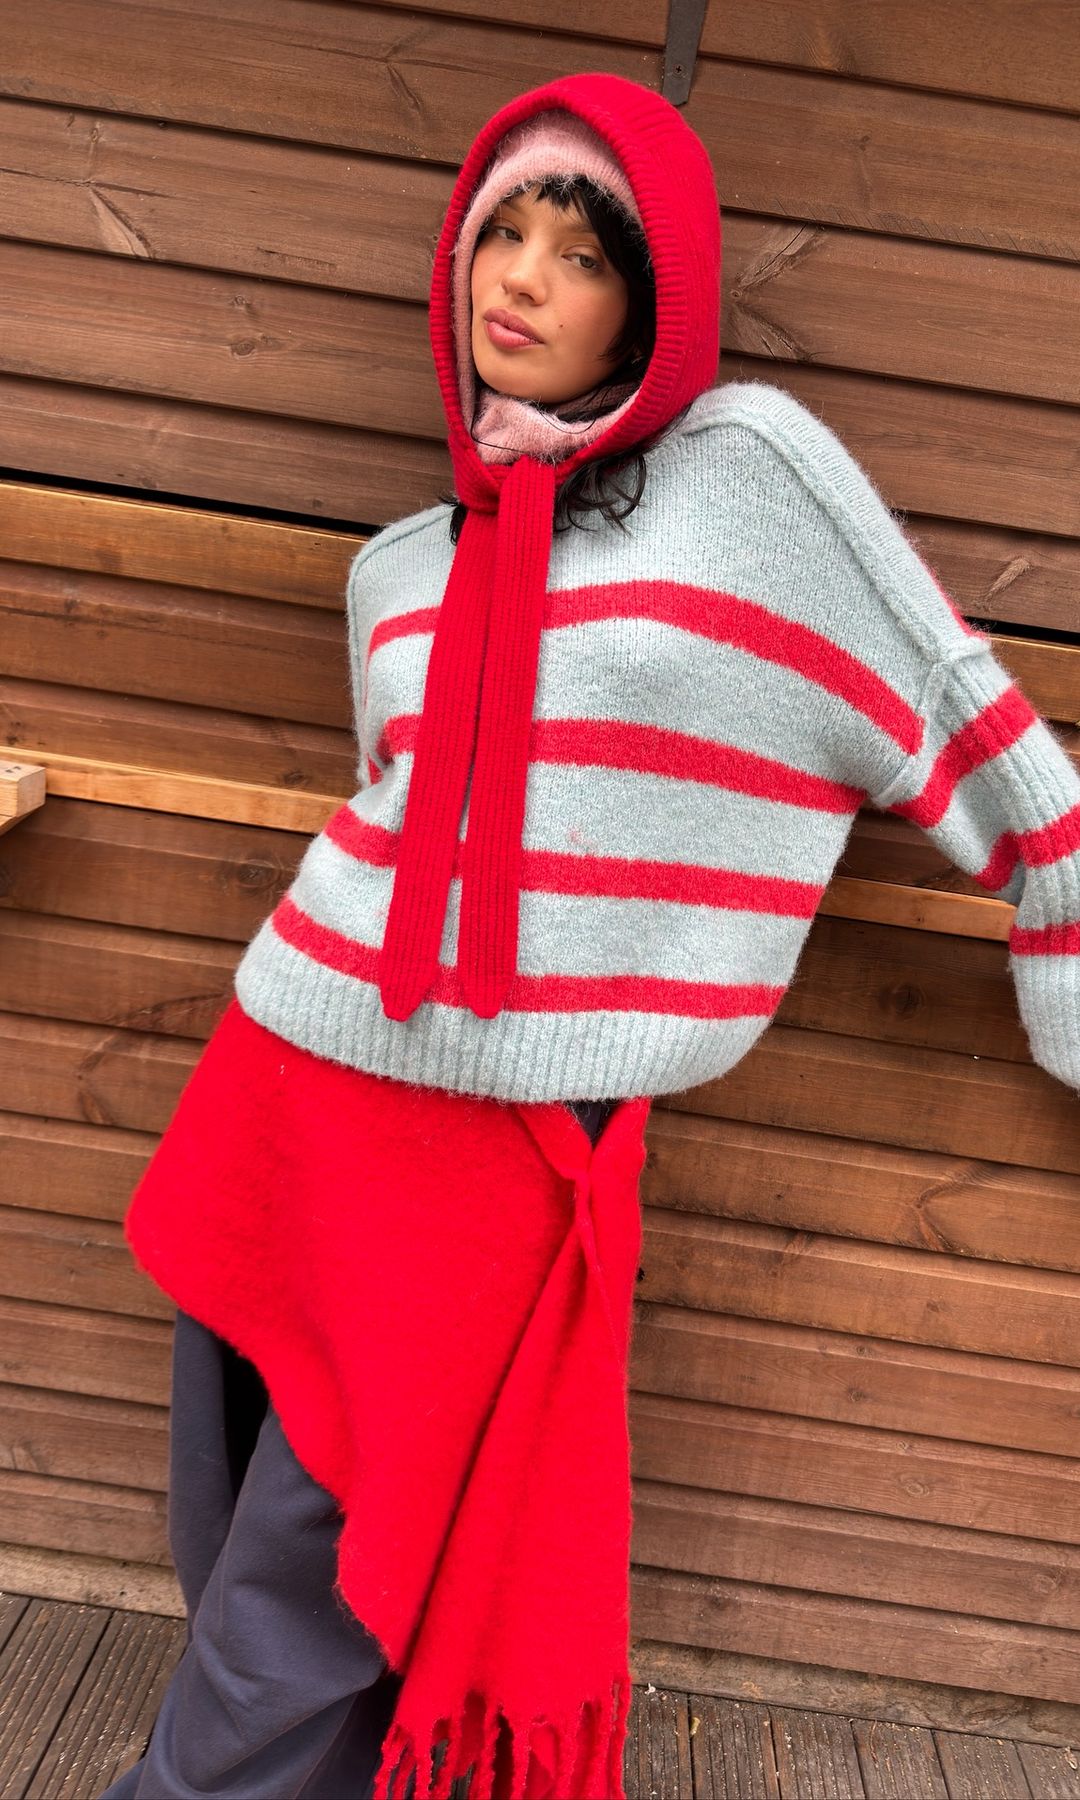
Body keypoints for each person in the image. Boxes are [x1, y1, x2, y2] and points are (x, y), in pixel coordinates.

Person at [99, 68, 1080, 1800]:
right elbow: (407, 833)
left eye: (581, 248)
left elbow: (978, 734)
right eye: (501, 230)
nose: (522, 276)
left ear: (658, 301)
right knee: (228, 1495)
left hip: (508, 1158)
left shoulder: (753, 484)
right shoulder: (401, 567)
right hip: (294, 1084)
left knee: (307, 1582)